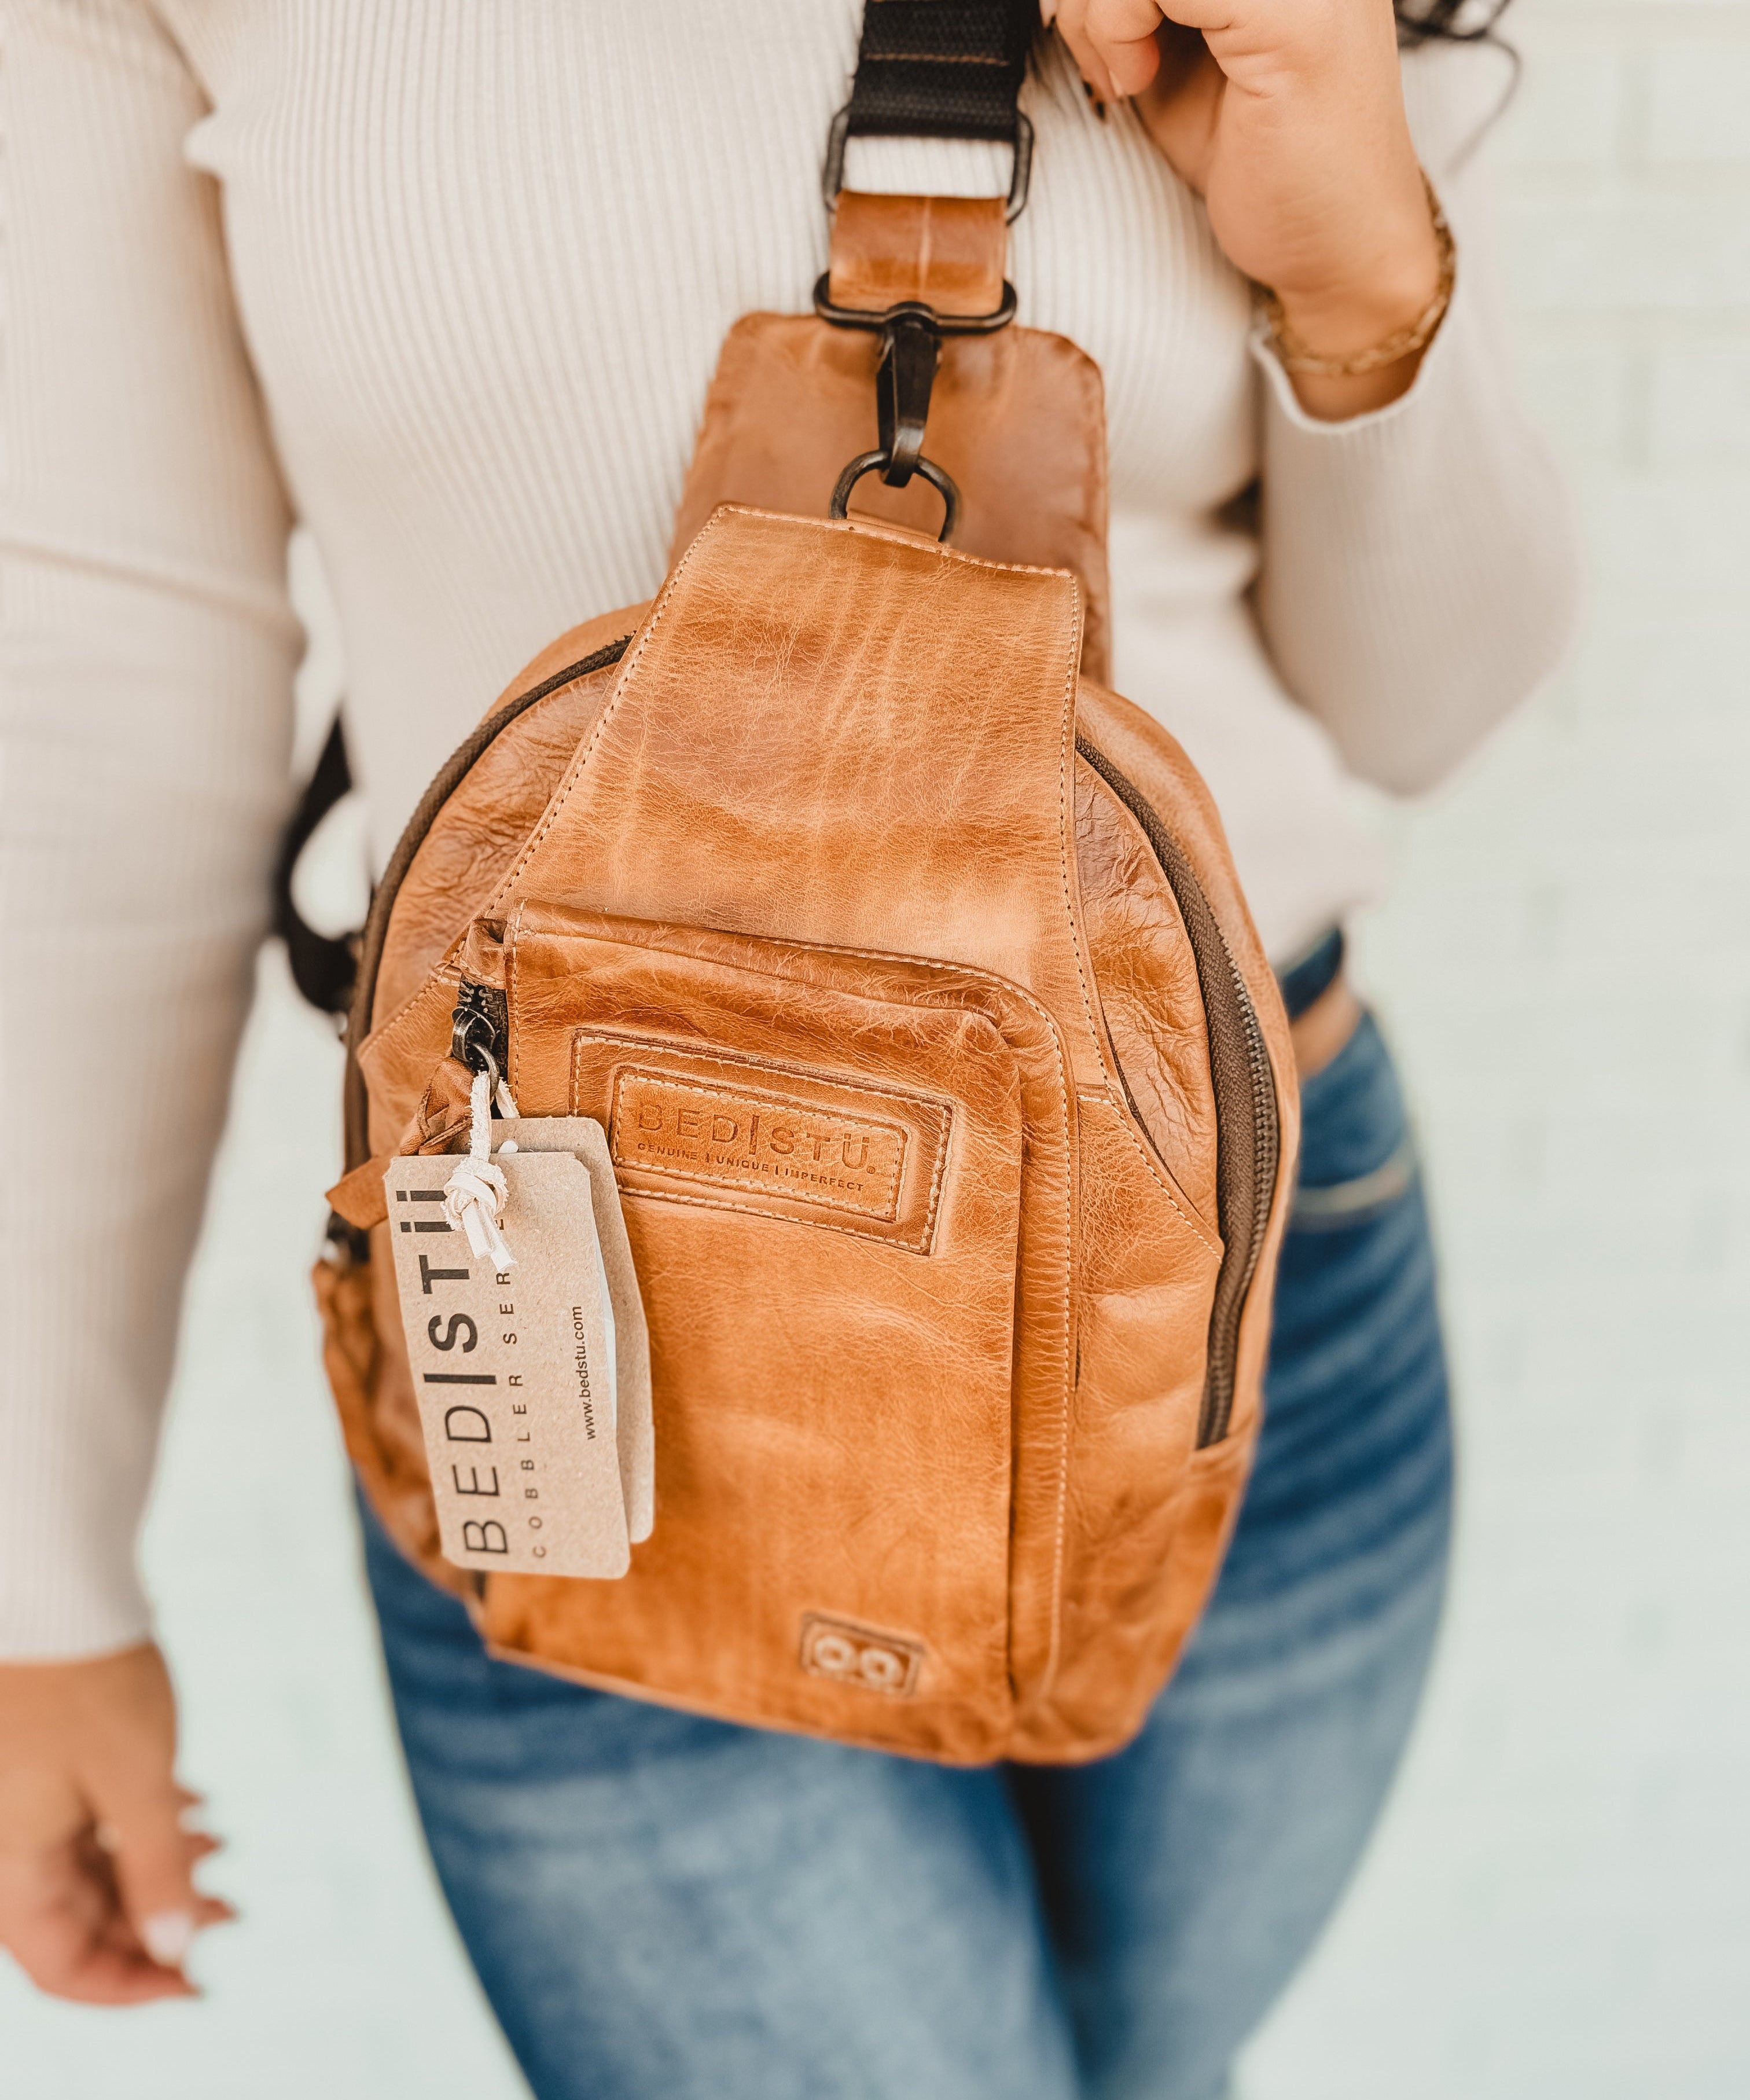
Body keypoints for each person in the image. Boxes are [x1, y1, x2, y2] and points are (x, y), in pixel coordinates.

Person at [0, 2, 1578, 2094]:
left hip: (1229, 1305)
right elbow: (102, 710)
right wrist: (43, 1574)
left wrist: (1370, 272)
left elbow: (1420, 717)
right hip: (588, 1362)